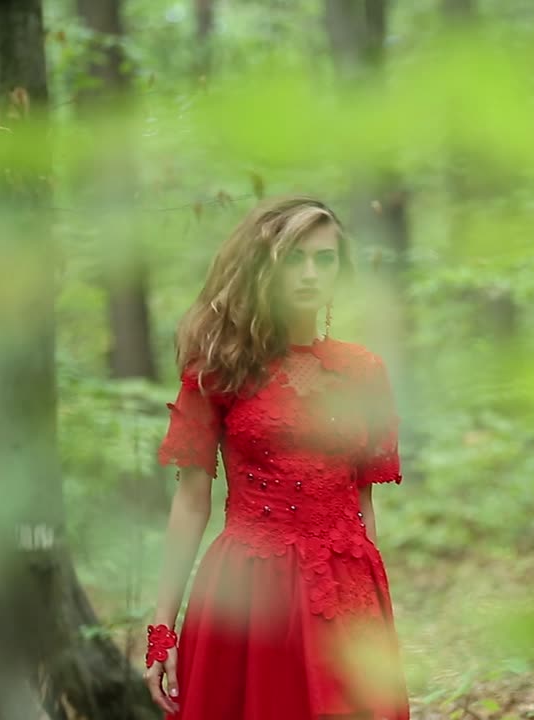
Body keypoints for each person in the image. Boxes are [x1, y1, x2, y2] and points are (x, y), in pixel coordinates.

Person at [143, 195, 409, 719]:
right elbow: (192, 505)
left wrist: (371, 610)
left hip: (345, 591)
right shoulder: (218, 369)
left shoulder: (363, 371)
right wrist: (161, 629)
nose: (310, 273)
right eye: (294, 258)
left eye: (325, 259)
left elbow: (363, 506)